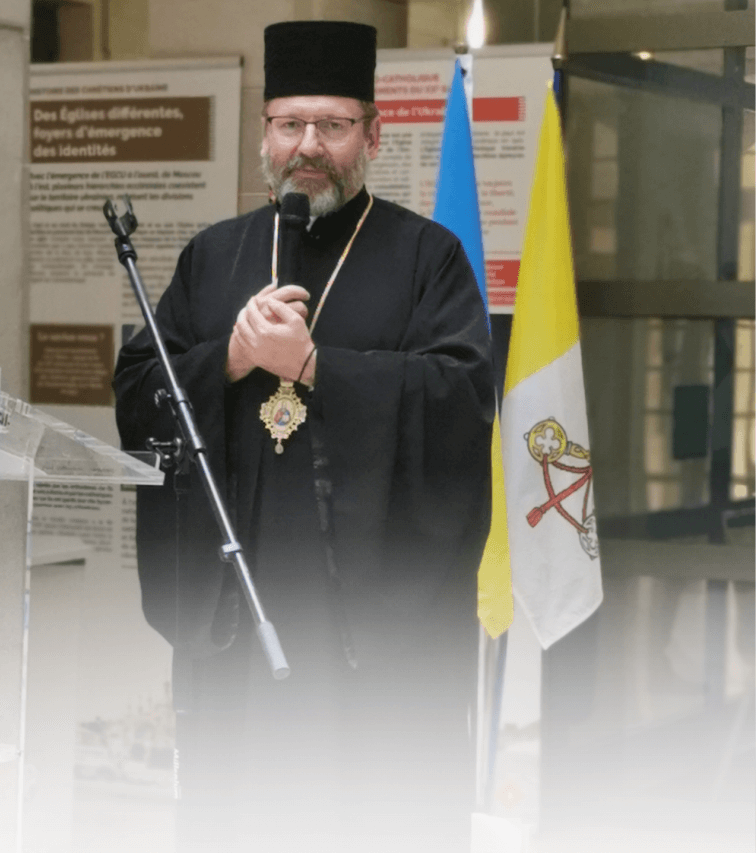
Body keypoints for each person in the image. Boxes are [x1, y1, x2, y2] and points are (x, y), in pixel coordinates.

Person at [113, 20, 493, 853]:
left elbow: (463, 401)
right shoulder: (215, 258)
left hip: (371, 631)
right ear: (265, 133)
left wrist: (318, 367)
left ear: (373, 133)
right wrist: (231, 358)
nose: (308, 146)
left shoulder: (429, 257)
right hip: (238, 614)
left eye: (332, 124)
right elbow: (139, 391)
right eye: (290, 124)